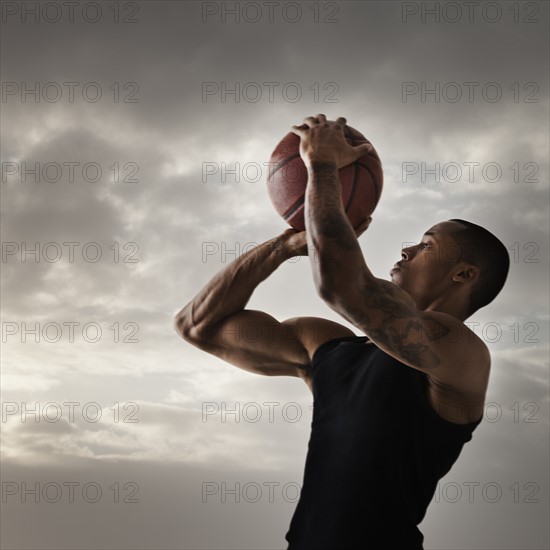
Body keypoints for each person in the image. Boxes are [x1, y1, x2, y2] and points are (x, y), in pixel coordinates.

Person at [174, 114, 510, 549]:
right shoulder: (329, 349)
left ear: (463, 274)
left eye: (427, 244)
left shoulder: (459, 353)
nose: (407, 248)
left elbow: (343, 288)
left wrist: (323, 167)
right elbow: (198, 325)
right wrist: (286, 244)